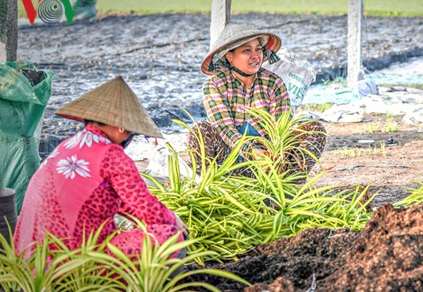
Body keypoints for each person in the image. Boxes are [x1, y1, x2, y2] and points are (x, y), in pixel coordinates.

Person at [14, 76, 188, 256]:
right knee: (170, 237)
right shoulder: (111, 155)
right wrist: (172, 218)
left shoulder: (66, 146)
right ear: (121, 128)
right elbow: (150, 211)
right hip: (75, 261)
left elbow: (118, 201)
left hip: (29, 260)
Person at [188, 23, 326, 175]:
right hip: (230, 161)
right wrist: (249, 150)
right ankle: (210, 187)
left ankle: (287, 188)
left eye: (258, 49)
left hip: (268, 162)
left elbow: (281, 126)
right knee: (199, 132)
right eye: (247, 50)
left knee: (315, 129)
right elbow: (224, 127)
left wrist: (272, 154)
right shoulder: (215, 85)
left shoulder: (274, 83)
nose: (255, 55)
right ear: (230, 56)